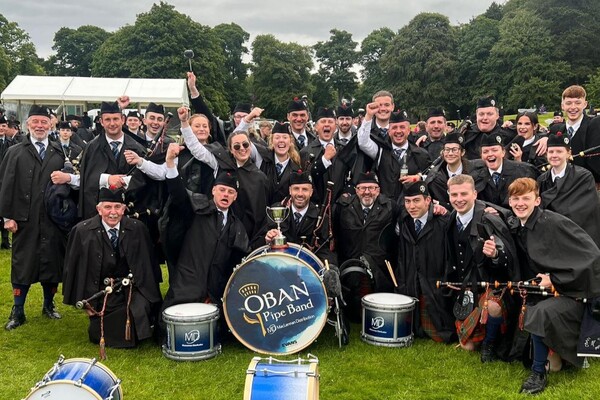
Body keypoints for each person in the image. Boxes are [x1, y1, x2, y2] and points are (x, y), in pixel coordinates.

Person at [507, 178, 600, 394]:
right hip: (546, 293)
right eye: (516, 199)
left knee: (540, 313)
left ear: (537, 200)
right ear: (510, 202)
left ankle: (538, 374)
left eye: (526, 198)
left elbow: (593, 257)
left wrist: (555, 280)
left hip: (574, 295)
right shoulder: (520, 223)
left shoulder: (554, 223)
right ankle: (556, 357)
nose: (520, 203)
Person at [0, 105, 77, 330]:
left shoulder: (58, 152)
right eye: (35, 122)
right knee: (22, 264)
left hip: (53, 219)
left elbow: (69, 183)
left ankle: (48, 304)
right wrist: (6, 218)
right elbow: (5, 185)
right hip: (25, 219)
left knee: (52, 262)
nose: (40, 126)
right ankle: (18, 309)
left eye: (44, 122)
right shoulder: (15, 152)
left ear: (50, 124)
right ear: (28, 125)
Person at [62, 187, 162, 348]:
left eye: (117, 207)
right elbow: (73, 269)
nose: (113, 212)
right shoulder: (82, 231)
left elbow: (148, 266)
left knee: (138, 310)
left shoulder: (137, 229)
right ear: (99, 210)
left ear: (124, 209)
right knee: (100, 331)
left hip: (131, 288)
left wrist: (152, 296)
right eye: (108, 207)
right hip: (100, 291)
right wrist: (83, 301)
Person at [161, 152, 249, 314]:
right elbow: (179, 195)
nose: (225, 195)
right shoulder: (196, 208)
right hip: (187, 283)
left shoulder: (236, 226)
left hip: (215, 290)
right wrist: (170, 164)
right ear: (214, 191)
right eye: (222, 190)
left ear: (235, 197)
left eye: (230, 192)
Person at [444, 174, 518, 362]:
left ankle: (490, 343)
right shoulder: (452, 219)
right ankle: (480, 334)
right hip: (468, 288)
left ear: (475, 194)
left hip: (493, 285)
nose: (459, 199)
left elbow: (508, 257)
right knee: (467, 347)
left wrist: (495, 255)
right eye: (454, 195)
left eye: (464, 194)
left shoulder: (489, 219)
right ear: (448, 195)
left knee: (493, 306)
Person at [178, 106, 270, 242]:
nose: (242, 149)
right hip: (221, 229)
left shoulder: (260, 176)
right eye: (237, 147)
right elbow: (196, 148)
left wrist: (248, 118)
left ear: (251, 146)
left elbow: (260, 212)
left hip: (248, 232)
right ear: (231, 150)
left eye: (245, 145)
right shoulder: (220, 163)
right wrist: (185, 122)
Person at [395, 182, 455, 343]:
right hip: (411, 280)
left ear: (428, 200)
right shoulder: (404, 221)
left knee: (439, 334)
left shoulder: (443, 221)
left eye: (416, 200)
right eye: (408, 201)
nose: (411, 206)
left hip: (435, 284)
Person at [78, 99, 147, 220]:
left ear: (123, 120)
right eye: (107, 120)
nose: (112, 123)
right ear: (101, 122)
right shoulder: (92, 148)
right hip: (98, 215)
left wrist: (125, 181)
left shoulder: (137, 148)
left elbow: (144, 179)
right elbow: (85, 179)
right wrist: (107, 179)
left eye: (115, 119)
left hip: (128, 215)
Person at [334, 171, 398, 293]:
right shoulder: (343, 207)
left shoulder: (390, 207)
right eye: (363, 188)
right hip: (350, 269)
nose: (367, 192)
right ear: (356, 190)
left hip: (380, 272)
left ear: (378, 190)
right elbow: (336, 233)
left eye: (371, 188)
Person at [260, 169, 336, 266]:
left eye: (305, 189)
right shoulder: (276, 211)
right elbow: (258, 242)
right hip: (278, 267)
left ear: (311, 192)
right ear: (290, 190)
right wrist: (267, 240)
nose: (300, 194)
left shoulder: (321, 218)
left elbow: (326, 252)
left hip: (307, 271)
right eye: (296, 188)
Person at [537, 133, 600, 246]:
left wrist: (552, 217)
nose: (554, 155)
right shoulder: (542, 180)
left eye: (559, 151)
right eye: (551, 152)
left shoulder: (583, 177)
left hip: (577, 237)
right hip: (551, 237)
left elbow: (583, 210)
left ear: (568, 153)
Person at [358, 103, 430, 200]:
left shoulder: (421, 154)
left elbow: (431, 177)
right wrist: (368, 116)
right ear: (388, 132)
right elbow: (363, 142)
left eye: (402, 127)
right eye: (394, 128)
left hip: (411, 210)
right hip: (386, 209)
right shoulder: (380, 151)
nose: (398, 131)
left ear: (409, 130)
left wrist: (419, 178)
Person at [235, 109, 301, 204]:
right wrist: (248, 118)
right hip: (258, 213)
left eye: (285, 137)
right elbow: (236, 138)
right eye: (277, 137)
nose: (281, 141)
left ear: (290, 142)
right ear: (271, 141)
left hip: (283, 216)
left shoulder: (296, 167)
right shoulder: (261, 155)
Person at [300, 107, 357, 203]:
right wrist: (324, 160)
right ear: (316, 127)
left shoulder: (346, 149)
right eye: (323, 121)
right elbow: (307, 178)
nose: (326, 124)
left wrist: (347, 193)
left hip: (341, 207)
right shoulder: (305, 152)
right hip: (317, 207)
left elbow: (354, 175)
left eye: (330, 122)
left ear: (335, 126)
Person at [469, 133, 538, 209]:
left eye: (494, 150)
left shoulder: (524, 171)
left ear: (503, 152)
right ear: (481, 156)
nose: (490, 154)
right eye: (485, 152)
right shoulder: (475, 177)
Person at [550, 85, 600, 186]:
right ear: (562, 105)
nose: (573, 107)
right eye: (568, 103)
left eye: (578, 103)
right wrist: (544, 139)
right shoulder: (556, 130)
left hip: (590, 186)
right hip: (561, 187)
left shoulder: (594, 125)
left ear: (585, 104)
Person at [424, 131, 481, 210]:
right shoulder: (435, 177)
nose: (450, 153)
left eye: (454, 150)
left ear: (462, 152)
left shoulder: (477, 172)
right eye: (447, 150)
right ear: (443, 152)